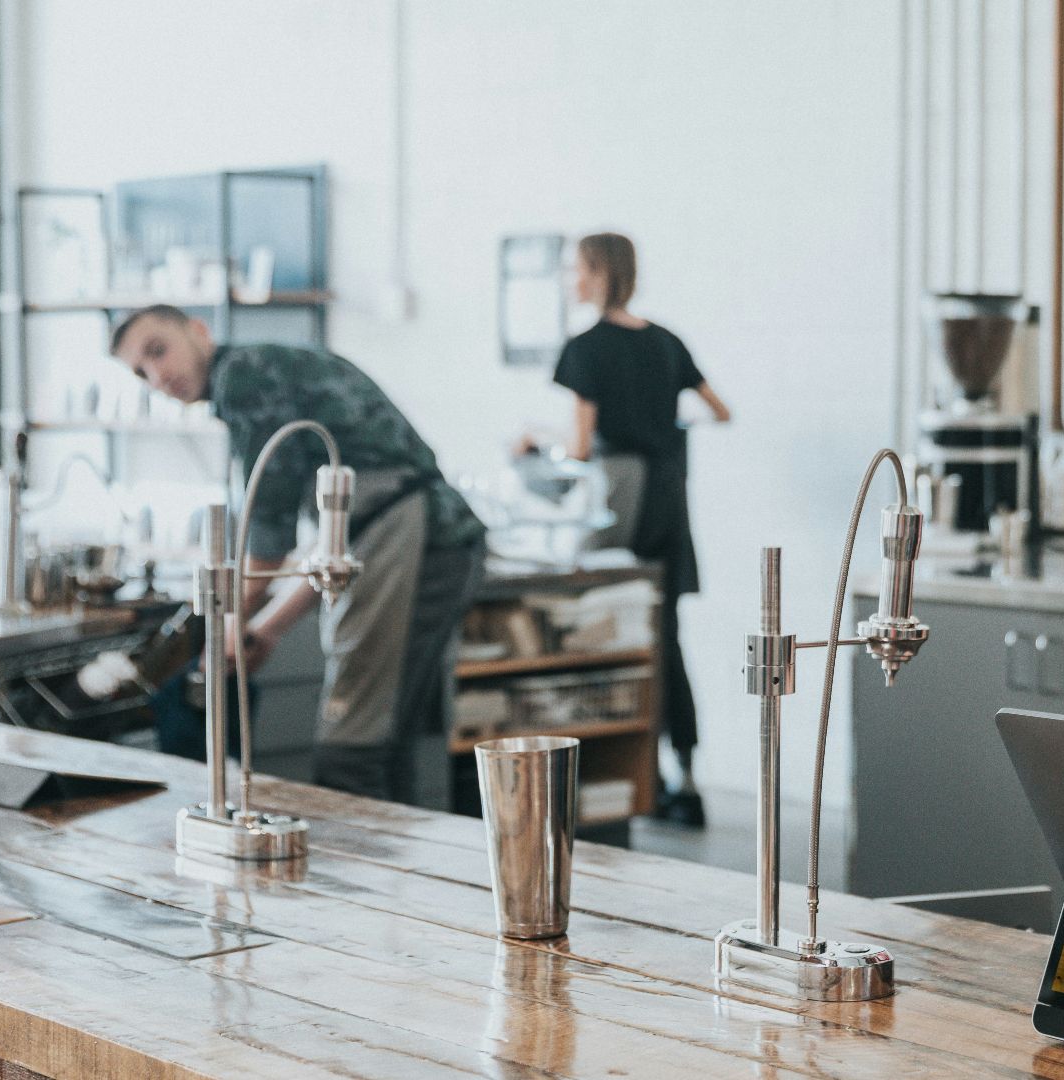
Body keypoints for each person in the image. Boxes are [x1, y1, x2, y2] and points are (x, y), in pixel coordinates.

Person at [112, 306, 488, 803]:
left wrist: (230, 625)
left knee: (351, 750)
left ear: (199, 331)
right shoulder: (267, 369)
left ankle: (358, 853)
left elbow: (270, 536)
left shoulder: (244, 377)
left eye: (158, 351)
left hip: (420, 537)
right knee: (381, 741)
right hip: (420, 538)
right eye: (141, 372)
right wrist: (266, 628)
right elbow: (336, 546)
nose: (157, 376)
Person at [543, 233, 730, 827]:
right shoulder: (666, 341)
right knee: (663, 636)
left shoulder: (585, 347)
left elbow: (578, 447)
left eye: (576, 267)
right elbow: (719, 410)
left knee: (590, 624)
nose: (570, 278)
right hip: (669, 497)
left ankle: (600, 776)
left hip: (621, 495)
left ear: (599, 273)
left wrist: (536, 444)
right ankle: (685, 779)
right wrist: (669, 426)